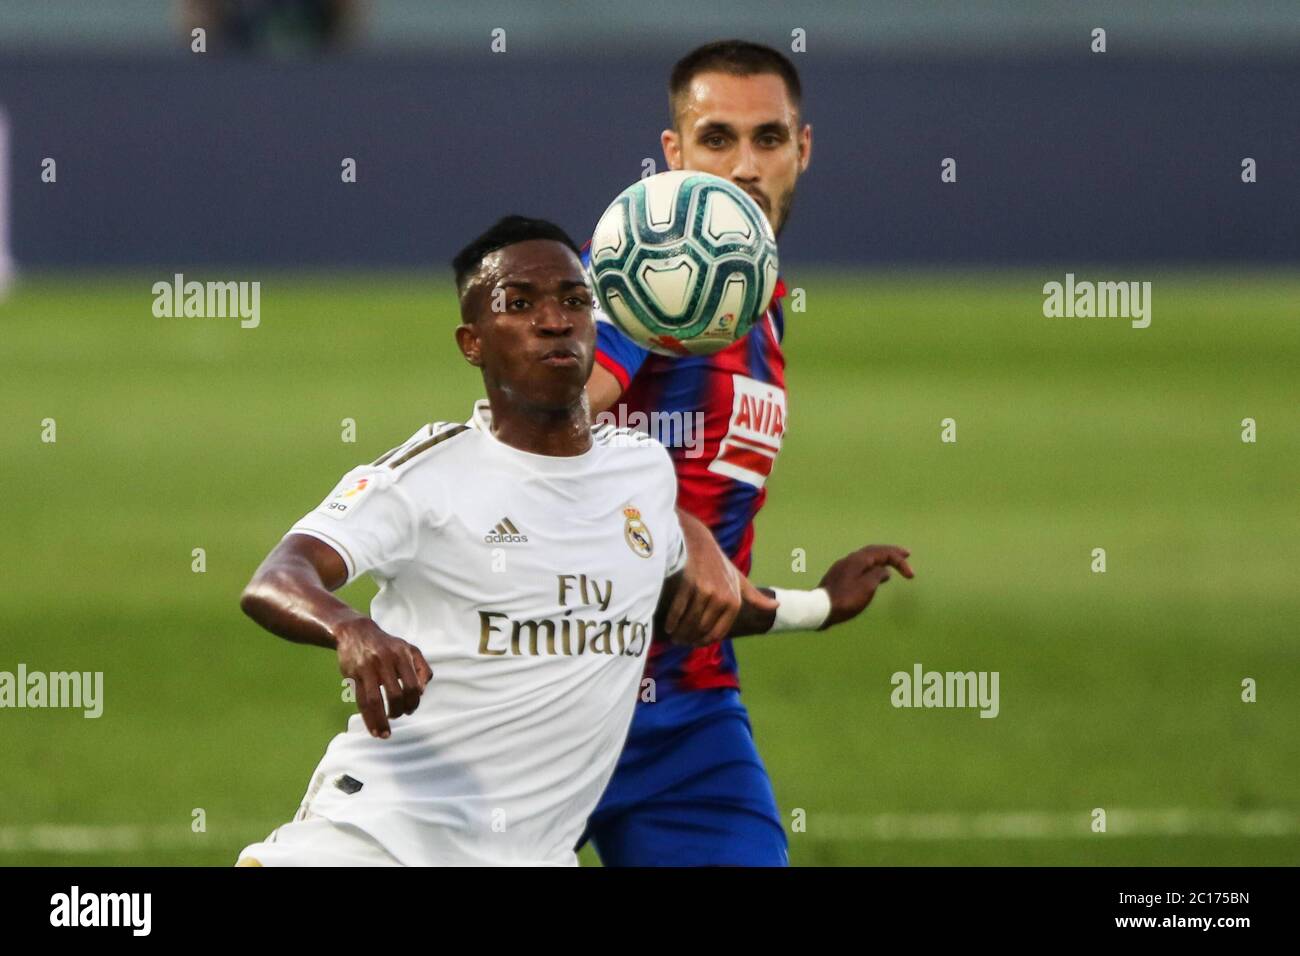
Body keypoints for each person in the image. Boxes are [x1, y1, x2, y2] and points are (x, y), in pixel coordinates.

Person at [233, 215, 893, 865]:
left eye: (574, 301)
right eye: (519, 304)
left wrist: (824, 606)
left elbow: (692, 605)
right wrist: (351, 629)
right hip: (376, 843)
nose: (554, 320)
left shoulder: (640, 474)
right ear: (473, 342)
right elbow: (279, 577)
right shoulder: (429, 475)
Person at [581, 40, 913, 866]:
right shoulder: (643, 277)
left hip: (691, 713)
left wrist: (814, 607)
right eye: (717, 138)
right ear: (674, 155)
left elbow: (701, 590)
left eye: (768, 139)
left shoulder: (757, 303)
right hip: (557, 695)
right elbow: (532, 422)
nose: (744, 166)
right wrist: (668, 525)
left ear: (802, 150)